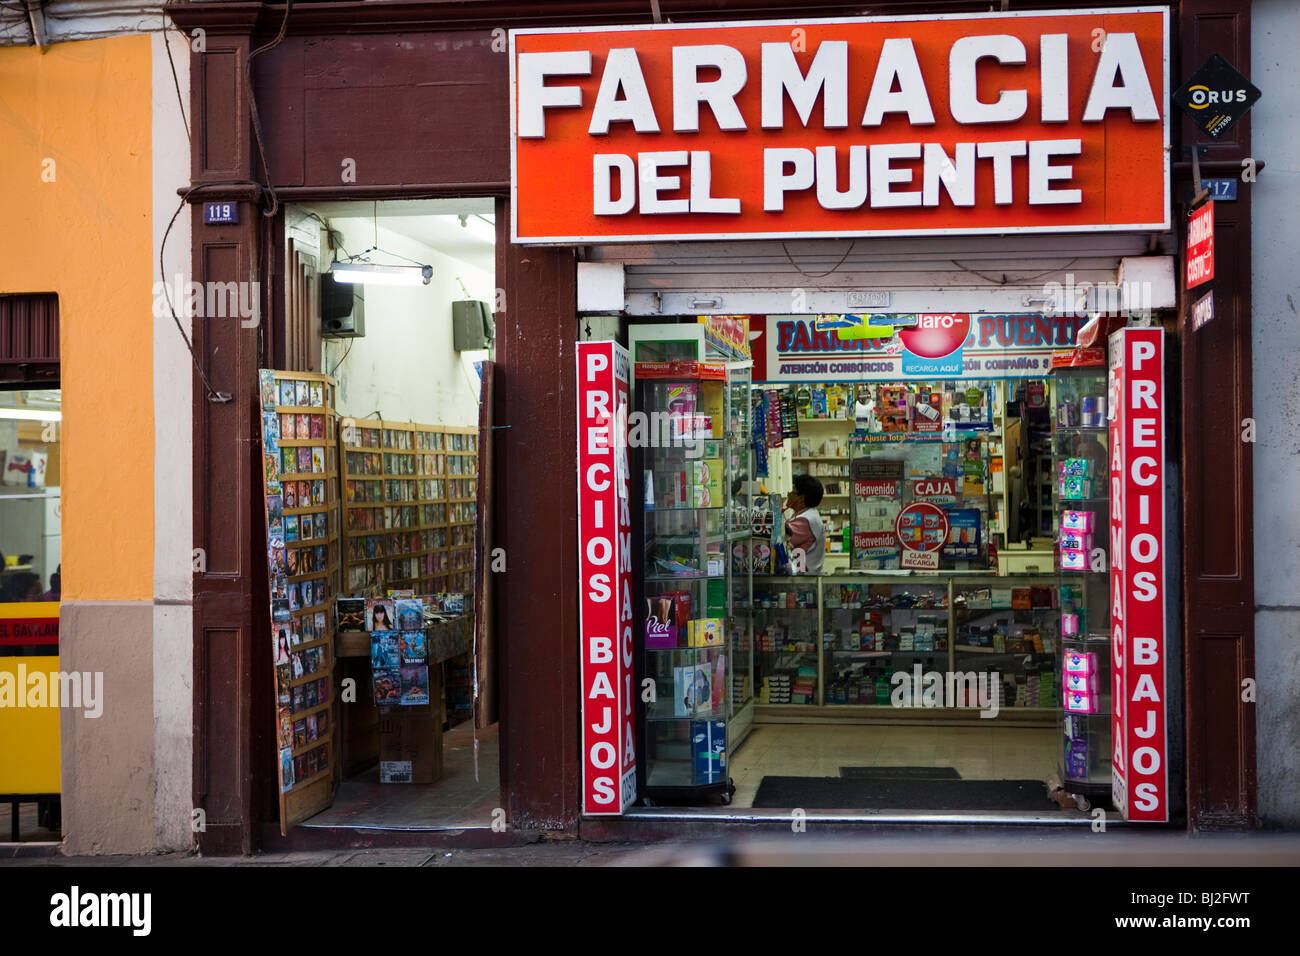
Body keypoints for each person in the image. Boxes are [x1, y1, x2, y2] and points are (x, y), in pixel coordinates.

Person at [784, 474, 825, 575]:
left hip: (803, 580)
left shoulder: (806, 520)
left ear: (801, 499)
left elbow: (780, 538)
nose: (788, 494)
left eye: (793, 492)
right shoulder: (805, 514)